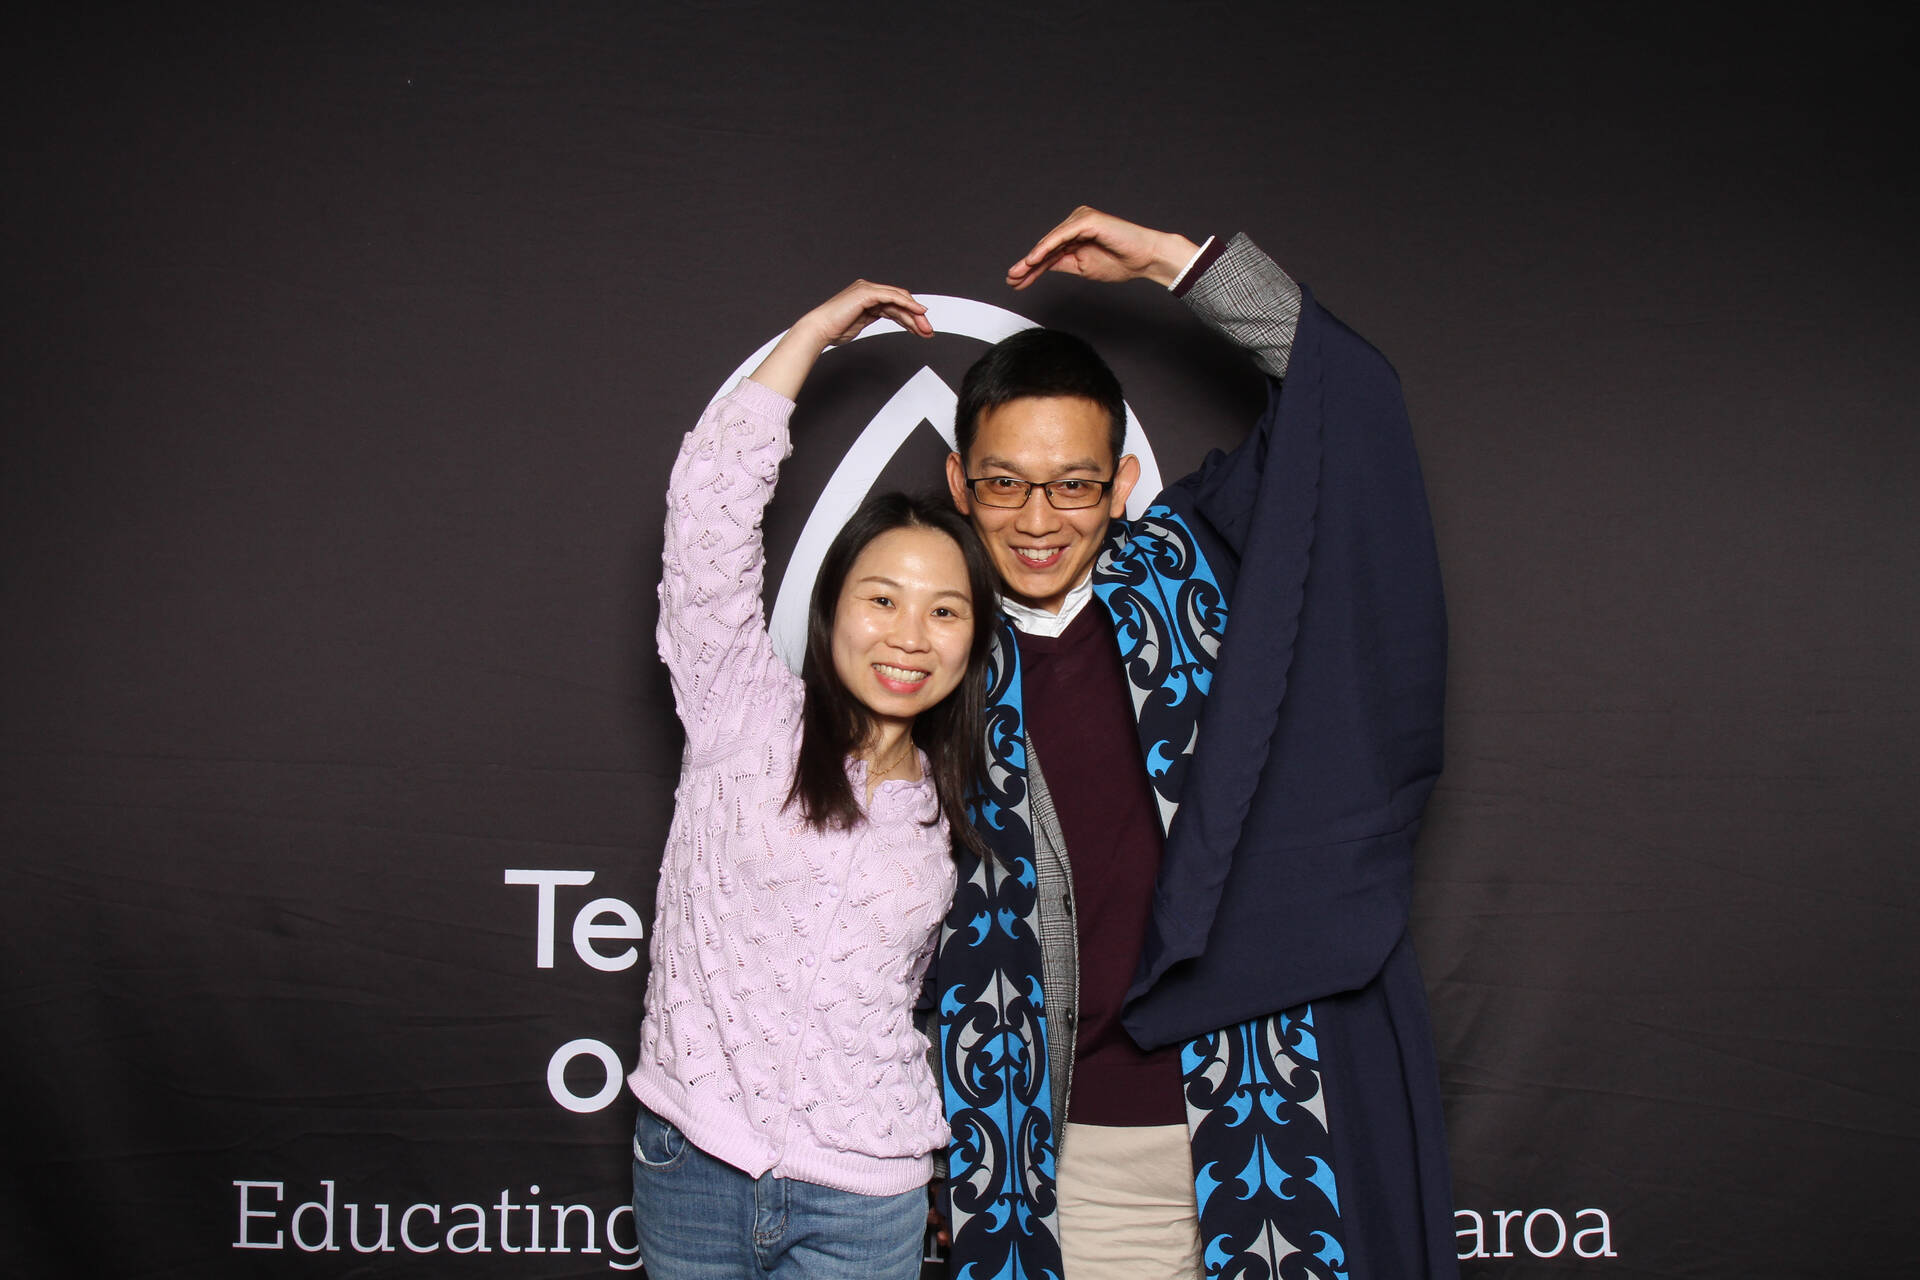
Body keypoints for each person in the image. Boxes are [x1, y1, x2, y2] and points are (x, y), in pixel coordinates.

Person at [930, 209, 1457, 1280]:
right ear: (959, 483)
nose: (1040, 517)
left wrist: (1182, 267)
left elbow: (1344, 402)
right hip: (1057, 1160)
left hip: (1264, 1123)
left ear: (1123, 485)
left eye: (1075, 482)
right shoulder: (917, 645)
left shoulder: (1202, 559)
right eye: (1005, 482)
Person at [627, 281, 999, 1279]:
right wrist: (810, 338)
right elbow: (706, 516)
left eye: (944, 611)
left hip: (865, 1194)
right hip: (696, 1160)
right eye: (883, 598)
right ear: (832, 606)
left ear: (974, 639)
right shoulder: (741, 709)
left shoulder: (965, 791)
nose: (908, 636)